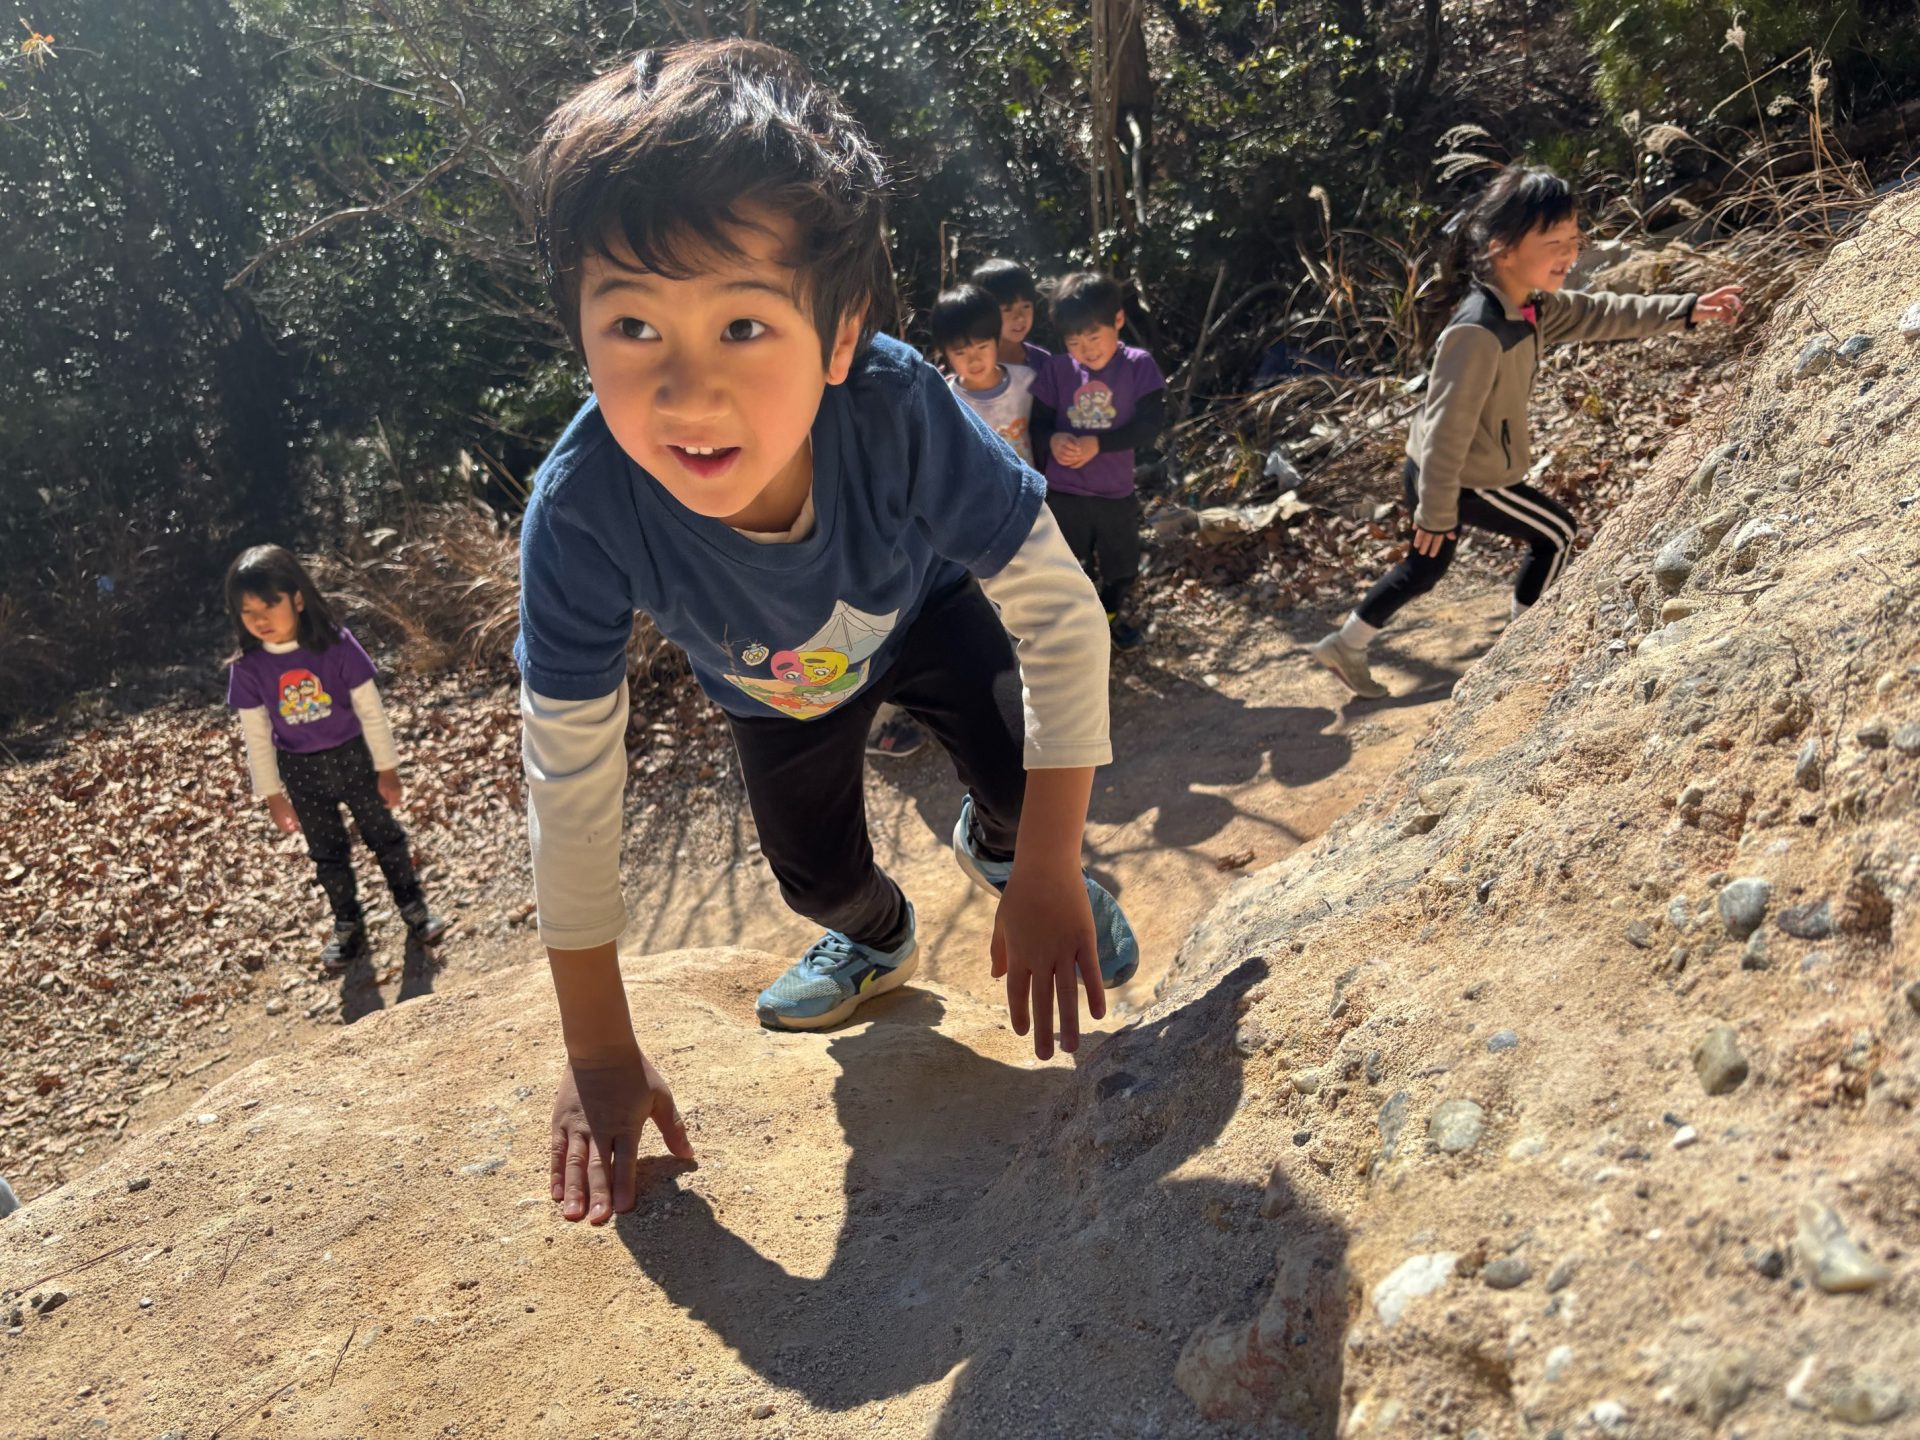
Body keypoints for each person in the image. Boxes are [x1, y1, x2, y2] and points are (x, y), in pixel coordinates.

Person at [516, 40, 1138, 1225]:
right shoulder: (583, 507)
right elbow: (571, 772)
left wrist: (1050, 863)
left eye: (744, 327)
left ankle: (999, 844)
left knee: (1021, 779)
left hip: (922, 609)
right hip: (770, 688)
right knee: (817, 879)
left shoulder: (895, 405)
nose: (687, 391)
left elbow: (1060, 613)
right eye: (633, 326)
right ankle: (878, 940)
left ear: (840, 333)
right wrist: (597, 1050)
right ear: (577, 331)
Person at [1309, 164, 1745, 698]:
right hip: (1461, 474)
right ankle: (1520, 657)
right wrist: (1437, 510)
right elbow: (1447, 426)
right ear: (1503, 248)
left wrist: (1688, 309)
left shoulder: (1528, 307)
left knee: (1424, 569)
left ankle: (1346, 644)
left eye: (1574, 240)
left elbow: (1603, 314)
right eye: (1554, 242)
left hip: (1445, 468)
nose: (1570, 254)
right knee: (1555, 534)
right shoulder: (1478, 329)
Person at [223, 545, 449, 971]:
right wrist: (273, 796)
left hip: (354, 759)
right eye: (247, 610)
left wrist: (387, 769)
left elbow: (371, 711)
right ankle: (347, 925)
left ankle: (414, 909)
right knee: (327, 852)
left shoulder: (336, 646)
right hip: (301, 771)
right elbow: (256, 737)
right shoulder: (249, 668)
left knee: (384, 836)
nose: (260, 618)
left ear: (298, 599)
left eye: (270, 604)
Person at [1029, 272, 1167, 650]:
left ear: (1118, 320)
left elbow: (1150, 427)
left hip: (1114, 493)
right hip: (1064, 493)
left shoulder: (1138, 365)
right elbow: (1037, 426)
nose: (1086, 350)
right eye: (1074, 341)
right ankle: (1079, 634)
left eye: (1093, 337)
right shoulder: (1057, 370)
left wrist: (1097, 444)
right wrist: (1053, 439)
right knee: (1069, 568)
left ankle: (1108, 618)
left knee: (1122, 569)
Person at [933, 282, 1038, 468]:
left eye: (982, 347)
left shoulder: (1027, 382)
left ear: (997, 340)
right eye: (960, 352)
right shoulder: (947, 402)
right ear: (945, 353)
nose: (974, 360)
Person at [970, 257, 1049, 370]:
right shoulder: (970, 363)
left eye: (1026, 306)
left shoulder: (1043, 362)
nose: (1020, 317)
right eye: (1007, 309)